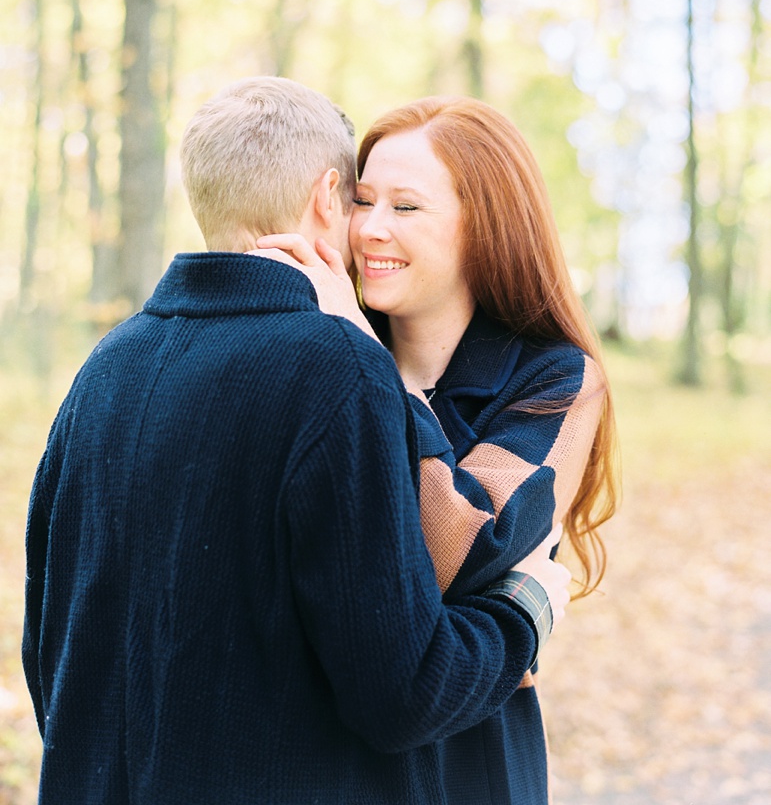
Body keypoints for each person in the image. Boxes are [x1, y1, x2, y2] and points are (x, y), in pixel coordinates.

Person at [23, 77, 571, 805]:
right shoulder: (341, 366)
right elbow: (404, 690)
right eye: (360, 200)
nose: (371, 227)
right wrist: (521, 613)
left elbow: (48, 650)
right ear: (325, 198)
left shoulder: (106, 365)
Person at [257, 94, 619, 805]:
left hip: (463, 763)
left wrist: (362, 358)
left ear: (483, 227)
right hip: (312, 759)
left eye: (407, 208)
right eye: (362, 201)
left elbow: (459, 547)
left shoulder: (554, 379)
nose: (369, 231)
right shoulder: (304, 352)